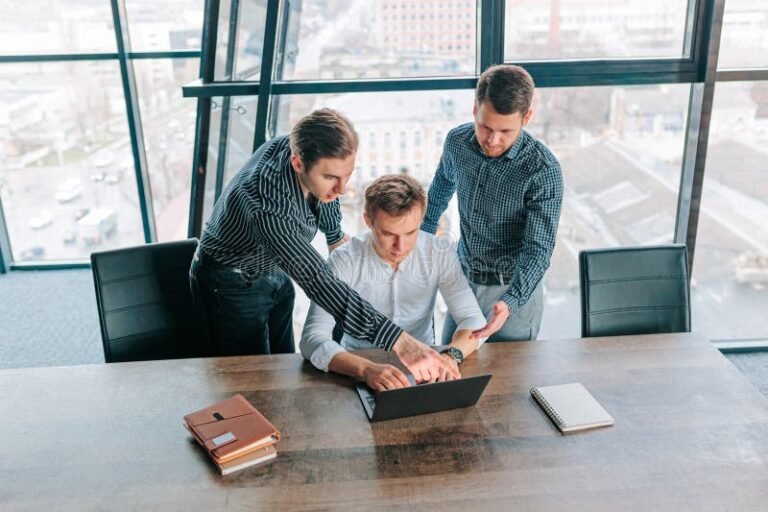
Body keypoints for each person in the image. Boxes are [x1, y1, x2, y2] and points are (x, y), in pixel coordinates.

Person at [189, 108, 460, 383]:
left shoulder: (301, 143)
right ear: (297, 163)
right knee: (252, 377)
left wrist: (334, 236)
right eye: (331, 178)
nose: (342, 189)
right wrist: (401, 342)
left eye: (347, 175)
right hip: (230, 282)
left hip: (273, 269)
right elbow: (319, 283)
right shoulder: (267, 208)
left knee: (284, 367)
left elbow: (325, 196)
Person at [300, 174, 488, 391]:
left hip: (424, 372)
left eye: (411, 232)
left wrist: (450, 356)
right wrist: (366, 369)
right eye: (389, 234)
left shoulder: (439, 252)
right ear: (368, 221)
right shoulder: (344, 259)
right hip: (357, 369)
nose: (401, 246)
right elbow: (312, 338)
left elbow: (473, 319)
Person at [421, 64, 564, 343]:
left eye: (505, 131)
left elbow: (539, 250)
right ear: (475, 109)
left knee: (508, 381)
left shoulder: (543, 171)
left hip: (513, 293)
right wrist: (419, 244)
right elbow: (439, 192)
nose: (493, 140)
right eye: (485, 127)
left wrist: (510, 301)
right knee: (450, 368)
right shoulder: (457, 142)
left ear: (527, 118)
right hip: (463, 283)